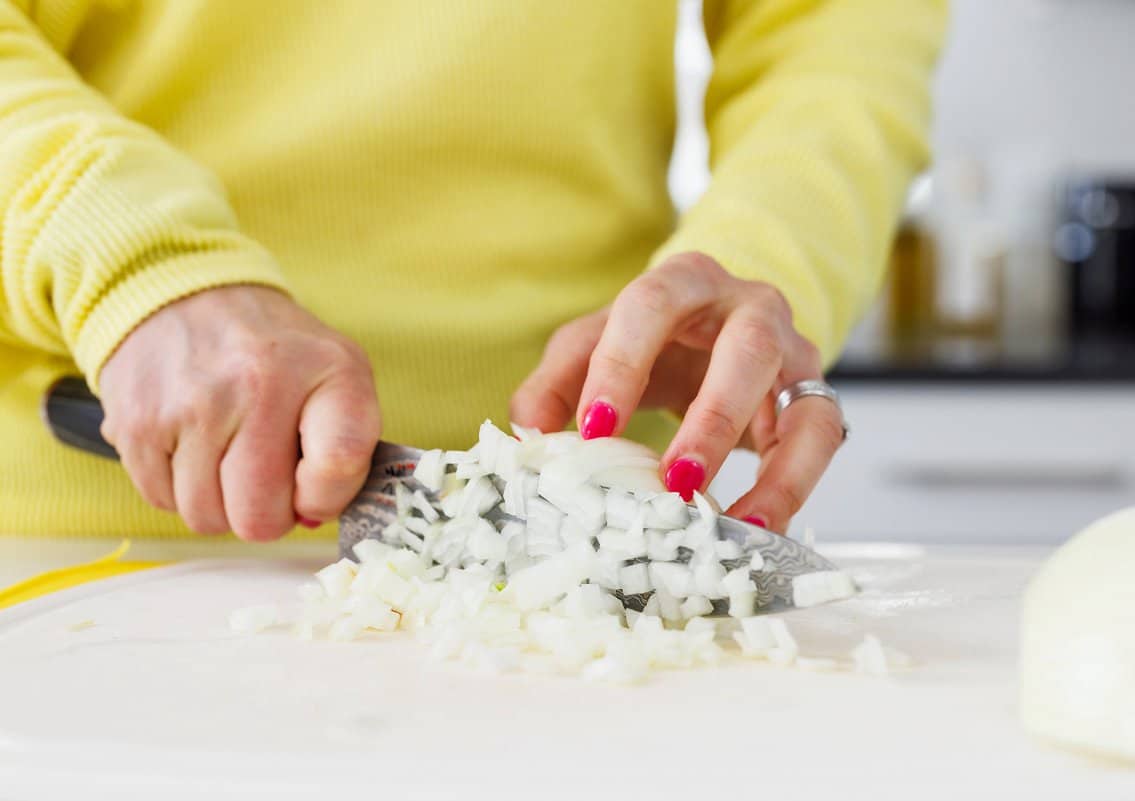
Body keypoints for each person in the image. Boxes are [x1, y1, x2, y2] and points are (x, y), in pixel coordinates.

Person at [0, 1, 945, 542]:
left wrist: (754, 266)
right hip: (85, 520)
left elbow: (836, 41)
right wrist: (134, 260)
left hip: (585, 532)